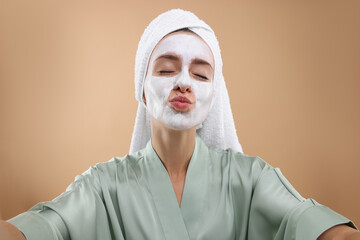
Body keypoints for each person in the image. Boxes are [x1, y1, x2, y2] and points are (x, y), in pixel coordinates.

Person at [1, 8, 359, 240]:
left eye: (201, 74)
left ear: (214, 94)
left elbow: (307, 222)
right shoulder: (103, 186)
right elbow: (42, 228)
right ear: (141, 89)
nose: (184, 82)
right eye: (167, 69)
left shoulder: (250, 180)